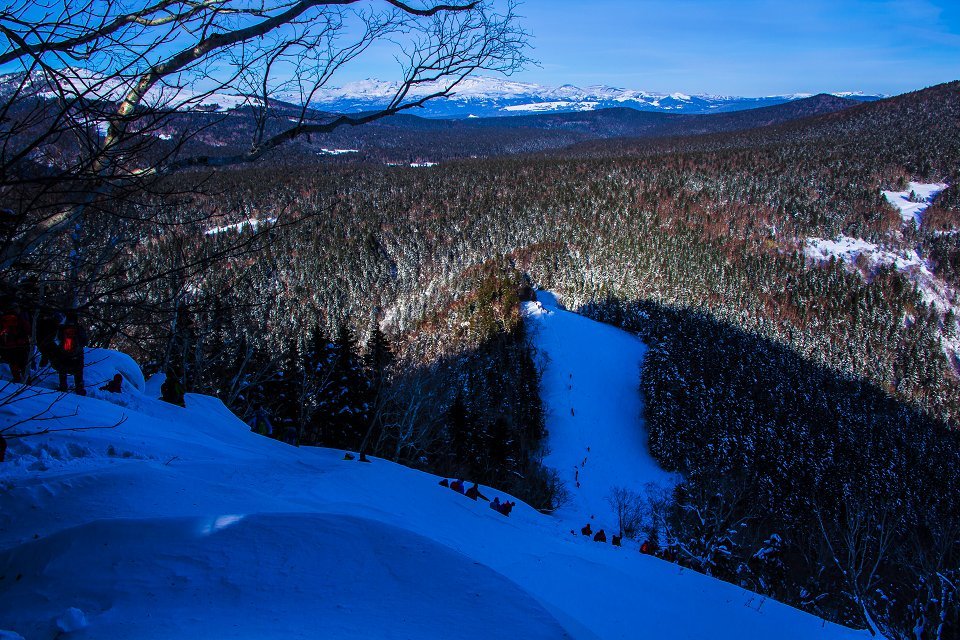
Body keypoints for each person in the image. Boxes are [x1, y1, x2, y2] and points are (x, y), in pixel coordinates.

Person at [55, 310, 86, 395]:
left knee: (62, 371)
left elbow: (57, 339)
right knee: (78, 372)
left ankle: (63, 386)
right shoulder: (79, 328)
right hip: (77, 355)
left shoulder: (62, 328)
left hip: (63, 354)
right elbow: (84, 341)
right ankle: (79, 388)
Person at [0, 301, 31, 383]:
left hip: (9, 346)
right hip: (21, 345)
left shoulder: (3, 318)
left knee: (13, 363)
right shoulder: (20, 318)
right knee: (24, 363)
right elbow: (28, 330)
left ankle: (17, 379)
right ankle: (27, 380)